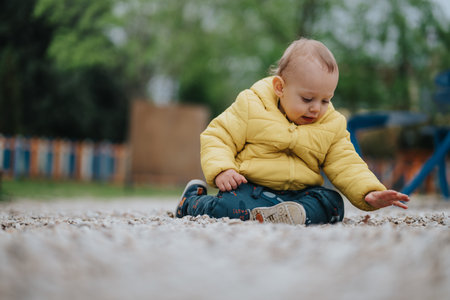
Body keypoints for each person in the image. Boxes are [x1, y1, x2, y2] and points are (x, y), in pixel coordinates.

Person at [175, 37, 410, 225]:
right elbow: (218, 135)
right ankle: (191, 202)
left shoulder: (331, 124)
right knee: (227, 207)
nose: (316, 108)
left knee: (333, 203)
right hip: (251, 188)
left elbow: (346, 163)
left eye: (326, 100)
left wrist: (368, 191)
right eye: (307, 98)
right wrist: (223, 170)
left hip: (299, 194)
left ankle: (288, 213)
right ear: (280, 87)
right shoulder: (251, 105)